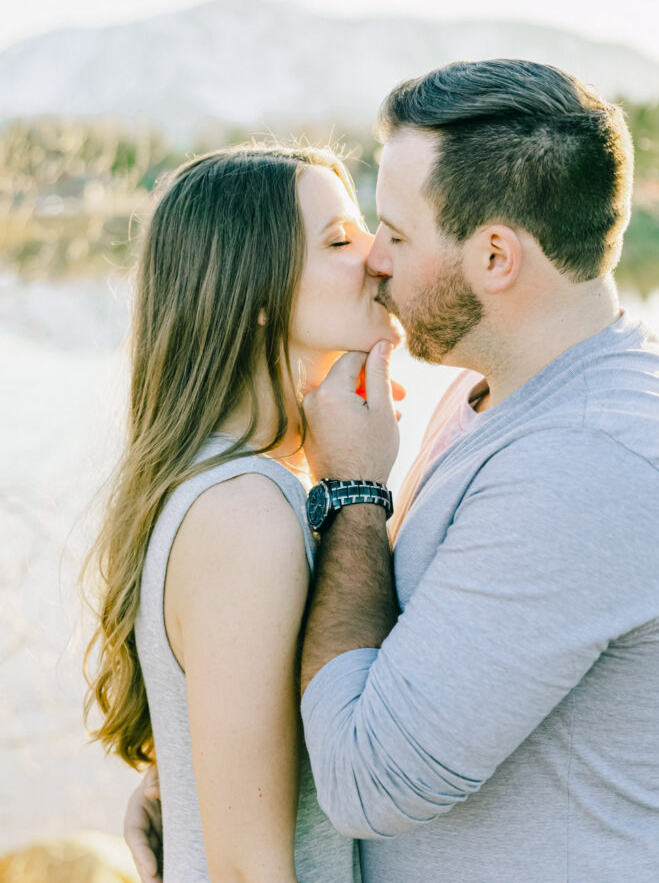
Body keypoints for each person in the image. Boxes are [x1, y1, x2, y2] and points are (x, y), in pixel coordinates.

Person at [127, 60, 659, 883]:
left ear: (495, 256)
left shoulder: (595, 461)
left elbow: (366, 781)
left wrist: (352, 493)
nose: (376, 261)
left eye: (393, 232)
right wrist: (209, 757)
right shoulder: (487, 395)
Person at [83, 143, 402, 883]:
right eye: (338, 241)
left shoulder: (241, 485)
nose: (377, 256)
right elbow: (247, 871)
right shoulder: (243, 514)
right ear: (256, 294)